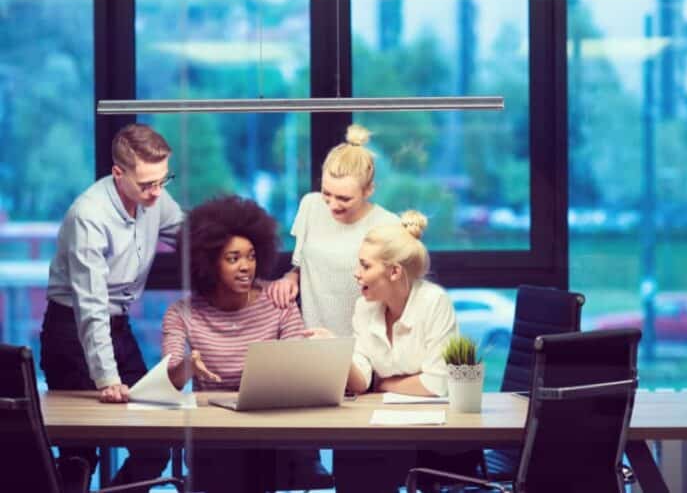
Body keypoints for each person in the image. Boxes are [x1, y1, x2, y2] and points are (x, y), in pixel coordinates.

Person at [40, 123, 183, 487]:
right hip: (71, 332)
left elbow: (188, 233)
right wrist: (107, 378)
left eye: (162, 181)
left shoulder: (155, 197)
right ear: (118, 173)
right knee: (80, 451)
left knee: (155, 444)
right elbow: (90, 304)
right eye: (146, 184)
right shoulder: (89, 215)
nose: (156, 193)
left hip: (119, 327)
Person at [303, 210, 463, 492]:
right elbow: (363, 377)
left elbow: (437, 383)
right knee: (353, 452)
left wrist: (384, 383)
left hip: (433, 435)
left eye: (365, 266)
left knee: (372, 457)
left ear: (394, 271)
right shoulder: (365, 307)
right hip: (381, 428)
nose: (356, 273)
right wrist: (336, 352)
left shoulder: (434, 302)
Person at [161, 195, 308, 493]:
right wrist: (187, 367)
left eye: (251, 256)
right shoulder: (182, 312)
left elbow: (301, 366)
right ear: (208, 262)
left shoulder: (277, 301)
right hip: (214, 437)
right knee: (225, 466)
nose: (246, 267)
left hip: (271, 429)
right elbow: (169, 382)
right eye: (233, 258)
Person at [267, 123, 398, 337]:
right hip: (313, 339)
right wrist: (290, 278)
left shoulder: (387, 224)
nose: (332, 205)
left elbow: (395, 293)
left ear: (369, 190)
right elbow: (304, 264)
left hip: (365, 344)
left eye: (344, 198)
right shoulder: (310, 205)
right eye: (327, 193)